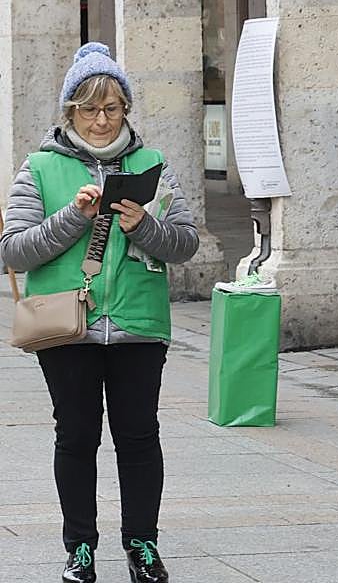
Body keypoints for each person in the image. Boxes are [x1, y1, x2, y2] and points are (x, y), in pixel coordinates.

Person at [0, 43, 200, 583]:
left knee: (139, 436)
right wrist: (72, 218)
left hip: (140, 325)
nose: (101, 119)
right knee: (76, 436)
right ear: (69, 112)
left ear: (126, 109)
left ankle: (142, 544)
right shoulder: (40, 167)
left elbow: (184, 244)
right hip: (67, 325)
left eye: (112, 107)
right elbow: (12, 251)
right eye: (89, 108)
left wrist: (144, 226)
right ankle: (80, 548)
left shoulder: (152, 165)